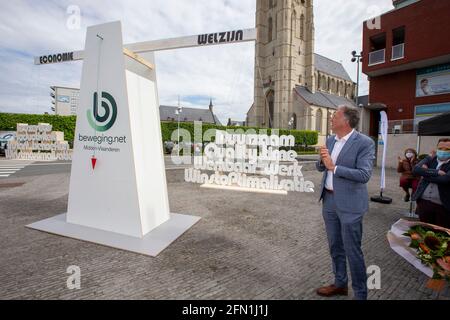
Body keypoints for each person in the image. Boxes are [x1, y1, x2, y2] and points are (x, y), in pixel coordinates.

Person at [315, 105, 375, 300]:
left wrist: (334, 167)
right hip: (329, 200)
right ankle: (340, 284)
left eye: (334, 116)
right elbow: (322, 167)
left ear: (346, 120)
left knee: (353, 250)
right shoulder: (331, 139)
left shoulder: (364, 143)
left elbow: (364, 174)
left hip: (351, 205)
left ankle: (360, 294)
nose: (331, 119)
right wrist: (322, 160)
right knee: (335, 246)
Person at [412, 138, 450, 228]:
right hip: (424, 203)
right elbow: (416, 170)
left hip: (443, 205)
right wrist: (436, 172)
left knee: (441, 232)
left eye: (447, 149)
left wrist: (424, 173)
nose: (443, 151)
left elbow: (445, 179)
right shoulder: (430, 159)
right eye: (440, 148)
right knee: (424, 230)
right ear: (437, 148)